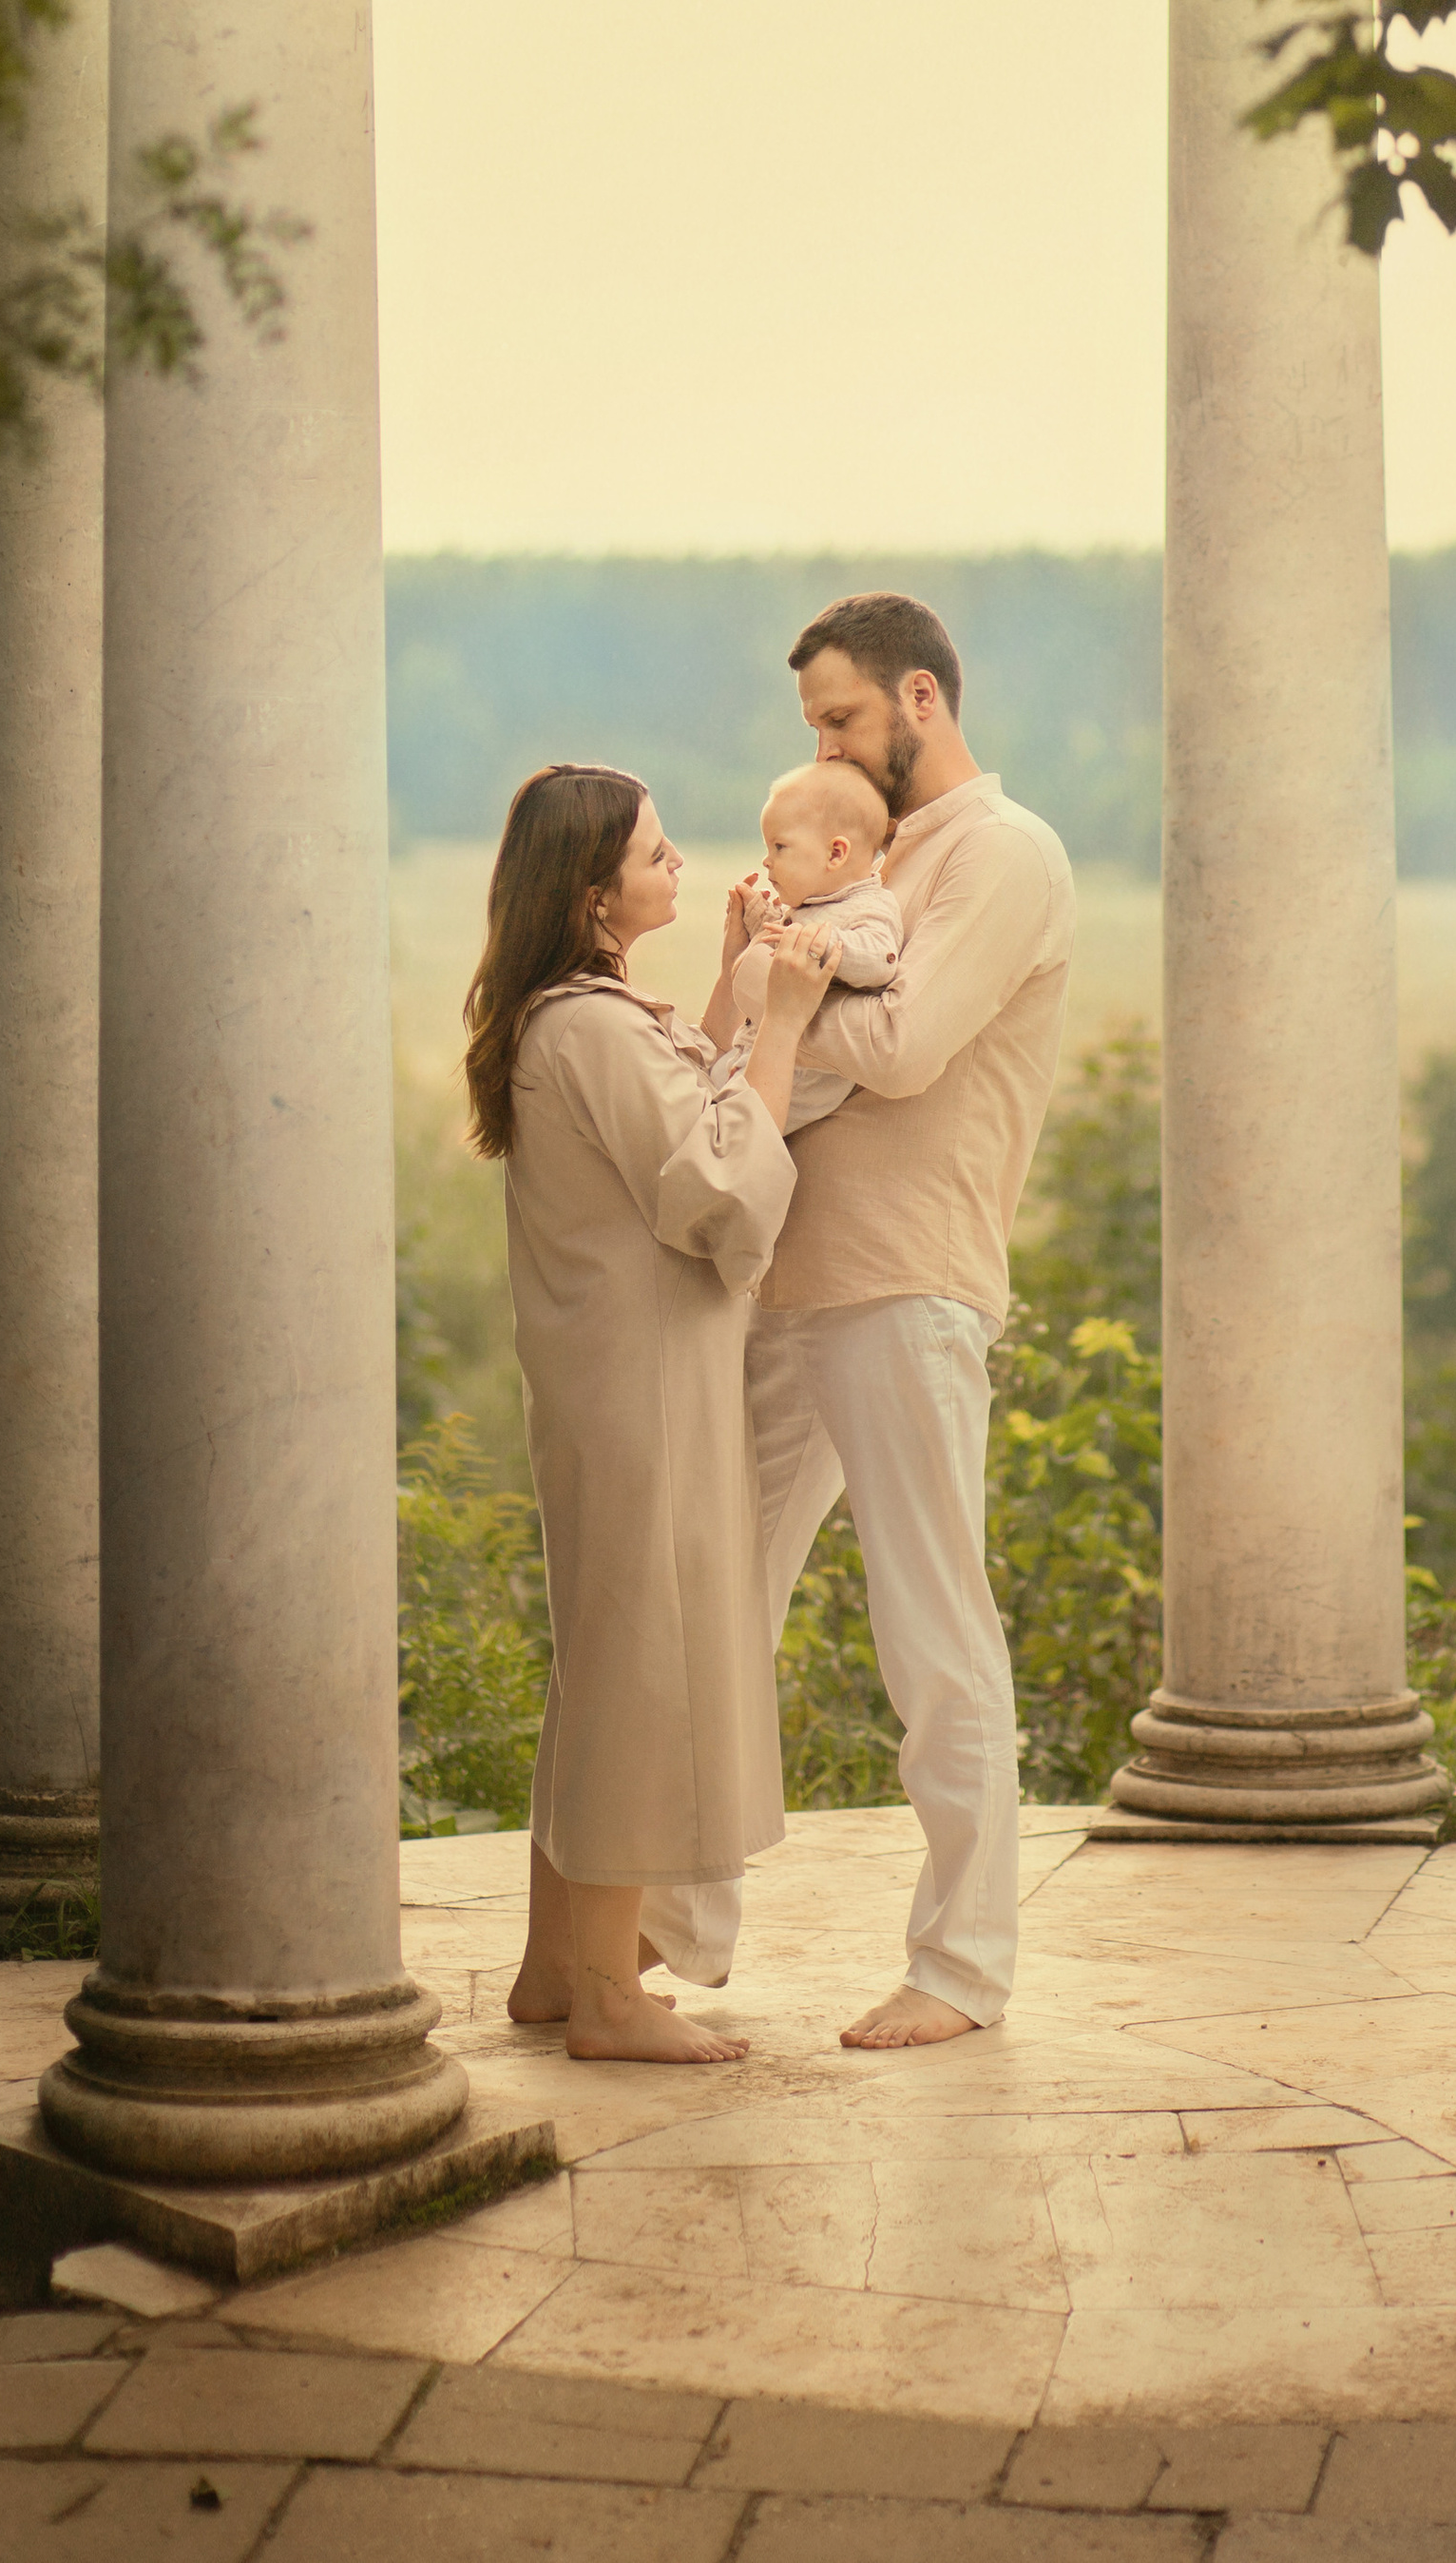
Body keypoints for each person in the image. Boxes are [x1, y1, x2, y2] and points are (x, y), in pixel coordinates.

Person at [658, 590, 1076, 2049]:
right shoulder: (862, 856)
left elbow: (899, 1050)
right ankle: (670, 1928)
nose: (824, 748)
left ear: (918, 698)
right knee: (715, 1602)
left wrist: (782, 1005)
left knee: (932, 1628)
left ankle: (961, 1970)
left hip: (908, 1280)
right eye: (810, 728)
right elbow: (722, 1047)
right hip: (782, 1276)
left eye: (839, 718)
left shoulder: (1003, 854)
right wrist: (751, 979)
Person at [462, 761, 837, 2065]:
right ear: (591, 894)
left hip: (617, 1384)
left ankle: (555, 1974)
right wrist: (783, 1022)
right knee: (636, 1665)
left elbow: (694, 1139)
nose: (681, 867)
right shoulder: (592, 1028)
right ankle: (610, 2003)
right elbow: (721, 1192)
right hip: (645, 1393)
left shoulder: (578, 1019)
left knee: (601, 1658)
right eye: (656, 856)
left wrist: (738, 1008)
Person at [705, 761, 902, 1135]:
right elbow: (782, 938)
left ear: (835, 854)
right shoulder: (810, 906)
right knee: (699, 1097)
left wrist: (826, 944)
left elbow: (881, 960)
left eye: (780, 846)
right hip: (751, 1054)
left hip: (802, 1079)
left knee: (724, 1131)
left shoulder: (870, 907)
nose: (767, 860)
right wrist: (758, 917)